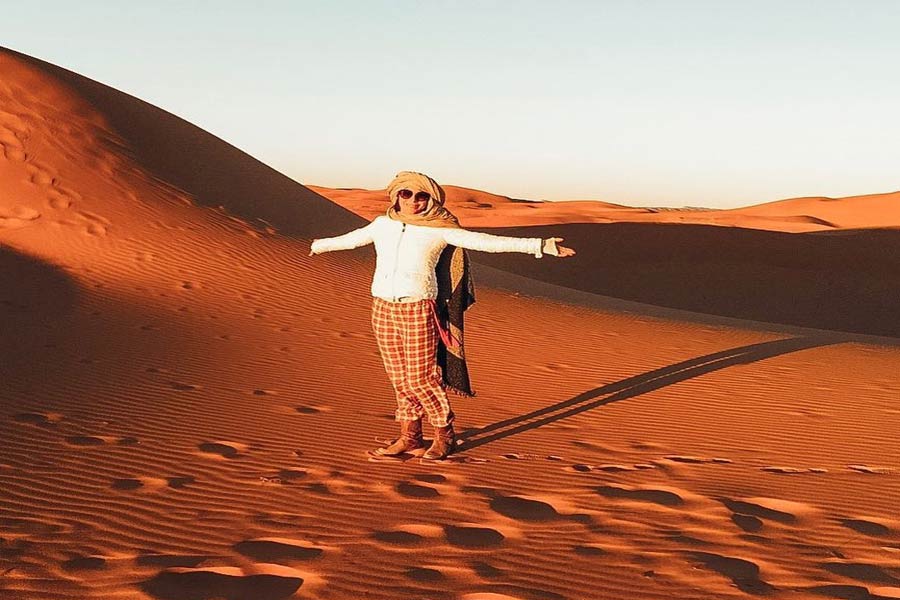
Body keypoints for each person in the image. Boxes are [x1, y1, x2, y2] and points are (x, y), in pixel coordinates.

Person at [309, 171, 575, 460]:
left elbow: (485, 242)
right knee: (399, 378)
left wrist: (539, 246)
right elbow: (351, 239)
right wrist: (316, 245)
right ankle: (410, 437)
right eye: (406, 194)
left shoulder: (439, 229)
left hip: (418, 308)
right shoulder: (382, 224)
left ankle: (444, 434)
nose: (413, 201)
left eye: (422, 196)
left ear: (432, 199)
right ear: (396, 195)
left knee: (421, 378)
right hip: (383, 307)